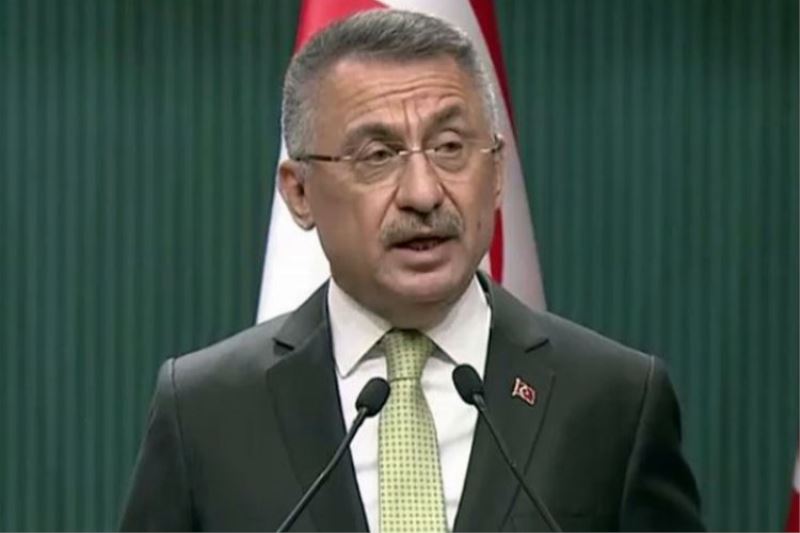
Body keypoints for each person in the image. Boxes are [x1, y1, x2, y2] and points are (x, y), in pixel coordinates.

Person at [120, 9, 704, 532]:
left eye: (450, 147)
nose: (424, 194)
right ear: (299, 192)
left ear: (496, 170)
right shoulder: (205, 411)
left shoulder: (614, 400)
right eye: (377, 156)